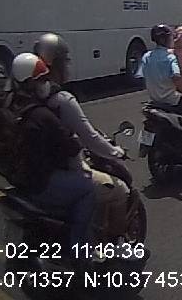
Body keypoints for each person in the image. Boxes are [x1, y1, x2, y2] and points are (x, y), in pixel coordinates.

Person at [31, 34, 132, 242]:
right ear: (57, 64)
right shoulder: (62, 100)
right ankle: (100, 248)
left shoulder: (27, 95)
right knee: (120, 190)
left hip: (32, 171)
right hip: (61, 172)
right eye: (65, 61)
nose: (68, 66)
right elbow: (91, 138)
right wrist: (116, 152)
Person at [7, 53, 101, 249]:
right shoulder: (42, 114)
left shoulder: (12, 106)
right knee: (89, 188)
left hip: (20, 177)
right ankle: (80, 249)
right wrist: (75, 141)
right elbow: (71, 146)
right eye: (41, 79)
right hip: (41, 182)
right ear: (29, 83)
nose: (45, 83)